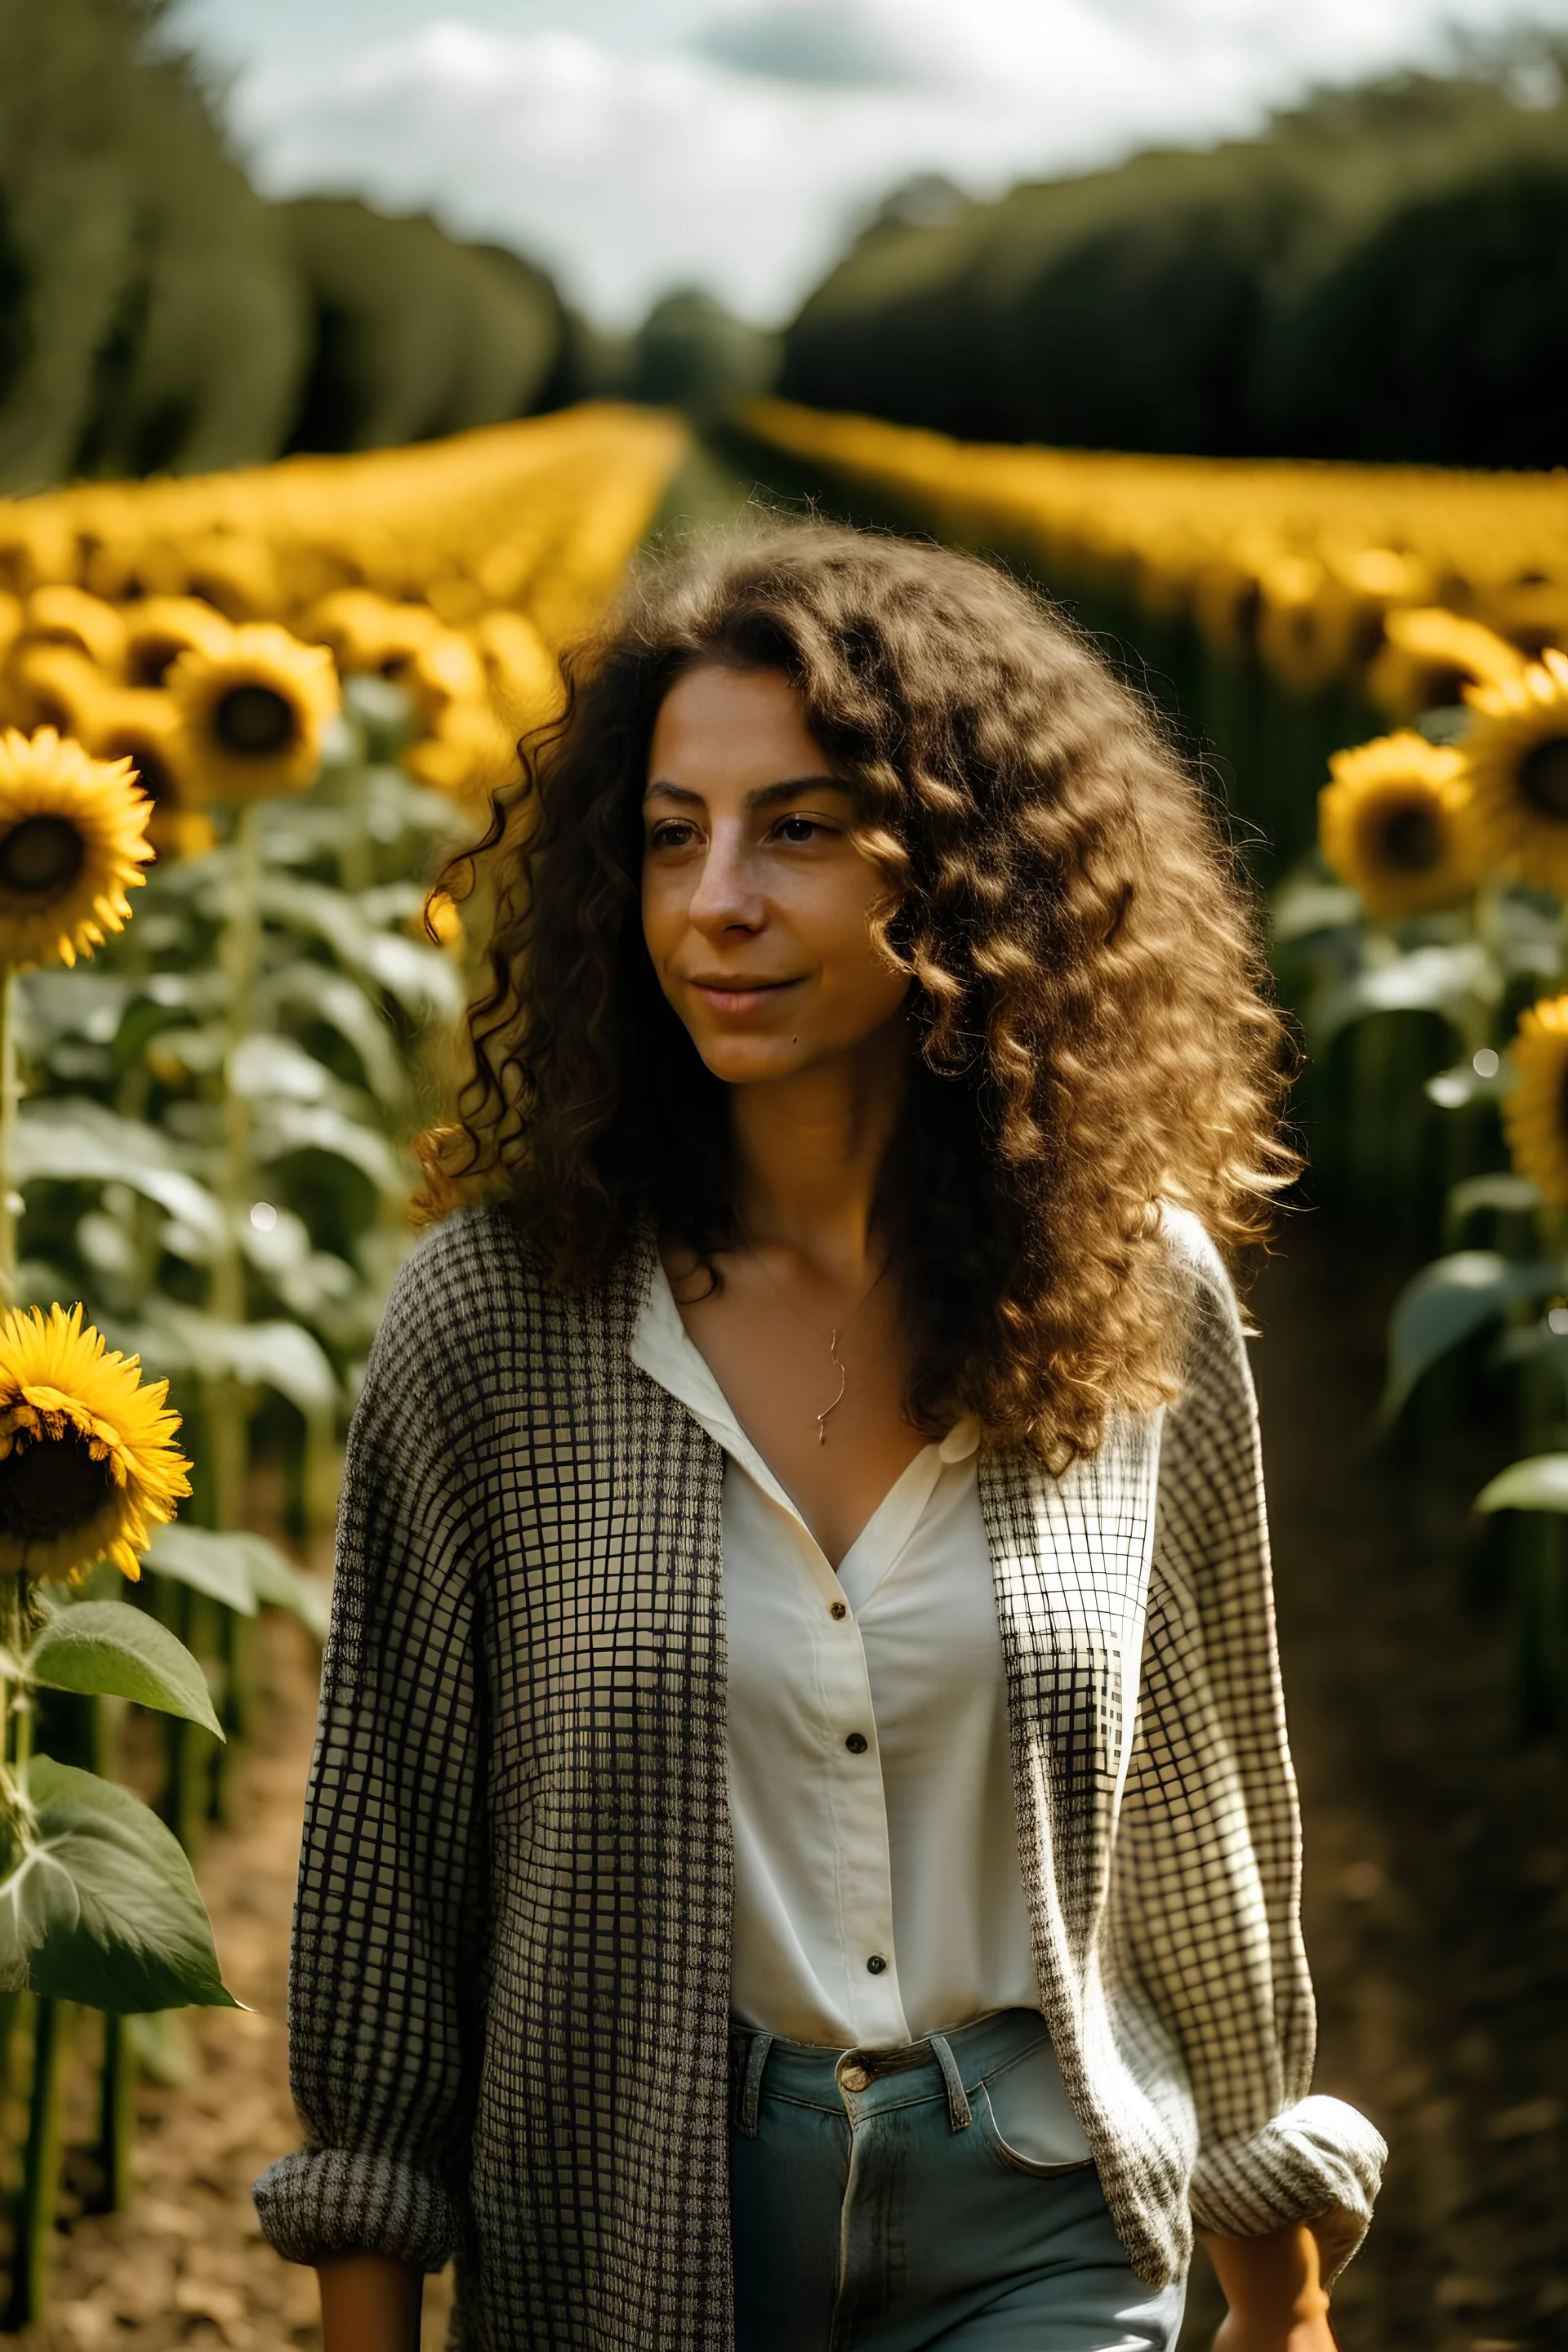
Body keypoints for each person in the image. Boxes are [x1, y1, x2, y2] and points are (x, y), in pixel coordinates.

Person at [254, 522, 1385, 2351]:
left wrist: (1283, 2278)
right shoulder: (500, 1324)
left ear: (966, 866)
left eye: (797, 826)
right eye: (673, 834)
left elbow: (1201, 1796)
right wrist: (370, 2302)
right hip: (636, 2220)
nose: (718, 901)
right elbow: (394, 1850)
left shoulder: (1128, 1295)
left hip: (1050, 2210)